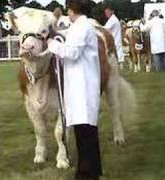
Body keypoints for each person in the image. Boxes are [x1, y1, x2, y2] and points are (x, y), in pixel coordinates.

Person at [47, 0, 102, 179]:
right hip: (81, 85)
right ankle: (91, 169)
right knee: (85, 133)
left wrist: (52, 45)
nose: (67, 13)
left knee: (85, 133)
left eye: (68, 9)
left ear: (73, 9)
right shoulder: (80, 26)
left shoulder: (82, 27)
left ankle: (86, 173)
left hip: (83, 87)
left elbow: (72, 52)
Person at [104, 5, 125, 69]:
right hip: (114, 38)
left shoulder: (113, 19)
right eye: (105, 13)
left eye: (107, 12)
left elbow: (105, 28)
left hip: (115, 38)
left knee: (117, 51)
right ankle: (119, 65)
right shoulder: (112, 19)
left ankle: (120, 66)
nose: (106, 14)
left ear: (111, 12)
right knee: (117, 52)